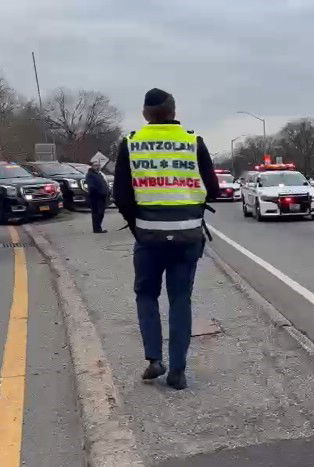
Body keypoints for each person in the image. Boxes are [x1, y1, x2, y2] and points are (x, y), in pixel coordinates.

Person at [113, 88, 219, 390]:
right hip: (187, 237)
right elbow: (212, 188)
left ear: (145, 114)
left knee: (146, 295)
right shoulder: (193, 142)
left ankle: (154, 360)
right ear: (173, 111)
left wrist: (139, 226)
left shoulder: (131, 144)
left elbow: (121, 195)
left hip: (148, 238)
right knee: (180, 299)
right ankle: (178, 371)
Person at [85, 160, 110, 234]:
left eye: (98, 165)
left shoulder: (99, 174)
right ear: (92, 166)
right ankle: (97, 229)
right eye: (95, 165)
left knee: (101, 213)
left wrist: (107, 191)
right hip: (95, 197)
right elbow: (91, 186)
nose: (97, 167)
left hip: (102, 196)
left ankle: (98, 227)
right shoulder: (90, 175)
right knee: (97, 213)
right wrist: (97, 192)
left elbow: (104, 184)